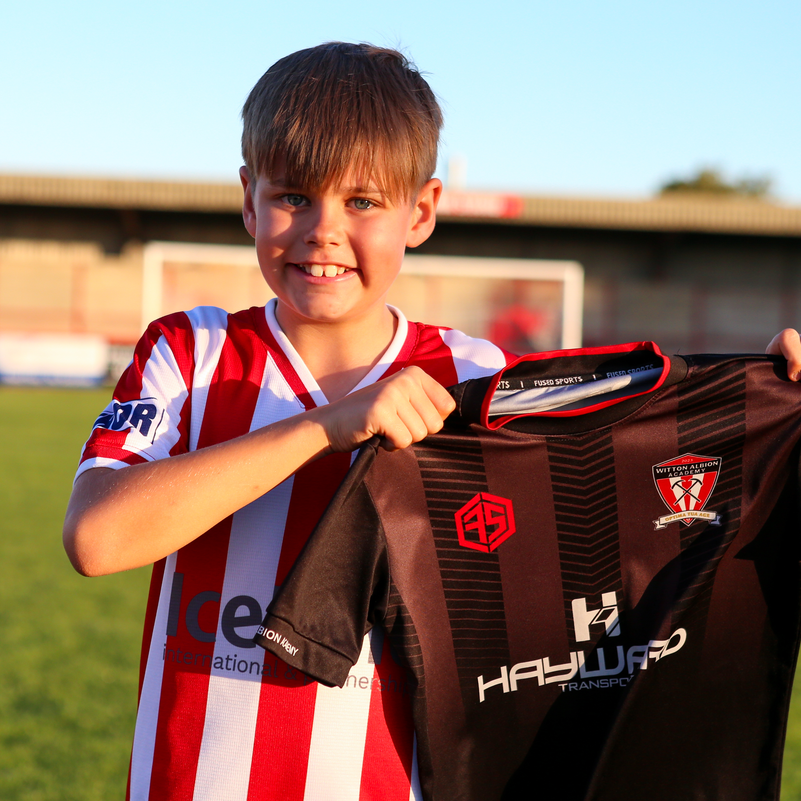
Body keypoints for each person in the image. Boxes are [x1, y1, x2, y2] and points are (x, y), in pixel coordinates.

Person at [63, 42, 801, 801]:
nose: (322, 230)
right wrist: (324, 425)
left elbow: (626, 490)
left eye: (362, 202)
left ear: (419, 211)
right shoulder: (191, 354)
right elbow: (96, 539)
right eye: (294, 196)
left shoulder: (473, 375)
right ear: (250, 199)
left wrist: (766, 397)